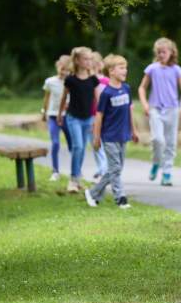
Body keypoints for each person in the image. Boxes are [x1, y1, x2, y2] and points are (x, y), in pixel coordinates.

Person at [85, 54, 139, 209]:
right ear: (111, 71)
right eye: (121, 68)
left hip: (124, 135)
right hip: (109, 136)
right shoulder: (106, 93)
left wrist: (134, 131)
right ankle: (120, 198)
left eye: (125, 67)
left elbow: (129, 111)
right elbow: (99, 116)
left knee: (116, 169)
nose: (125, 70)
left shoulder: (126, 89)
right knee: (115, 168)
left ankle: (93, 193)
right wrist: (96, 137)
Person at [138, 37, 181, 186]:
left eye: (164, 52)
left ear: (171, 52)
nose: (161, 55)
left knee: (171, 143)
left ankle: (167, 172)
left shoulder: (176, 70)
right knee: (158, 139)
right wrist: (145, 105)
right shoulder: (152, 68)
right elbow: (142, 87)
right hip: (155, 109)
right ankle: (156, 162)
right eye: (158, 52)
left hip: (172, 109)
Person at [58, 46, 99, 193]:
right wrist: (59, 115)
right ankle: (73, 180)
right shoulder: (70, 80)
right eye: (85, 59)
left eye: (90, 59)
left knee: (82, 150)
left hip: (88, 119)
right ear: (77, 60)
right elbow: (64, 97)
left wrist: (99, 118)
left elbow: (98, 99)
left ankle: (77, 178)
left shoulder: (93, 79)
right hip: (73, 118)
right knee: (78, 147)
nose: (89, 62)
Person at [41, 55, 72, 181]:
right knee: (55, 143)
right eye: (62, 69)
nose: (64, 72)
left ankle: (75, 171)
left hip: (68, 117)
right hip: (53, 115)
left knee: (72, 145)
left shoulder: (71, 81)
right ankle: (55, 171)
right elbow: (47, 97)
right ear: (57, 66)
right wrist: (43, 111)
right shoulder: (50, 82)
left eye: (67, 70)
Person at [90, 51, 109, 179]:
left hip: (105, 114)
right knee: (96, 142)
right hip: (92, 114)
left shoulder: (106, 81)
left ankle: (104, 168)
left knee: (103, 141)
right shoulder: (89, 80)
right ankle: (102, 167)